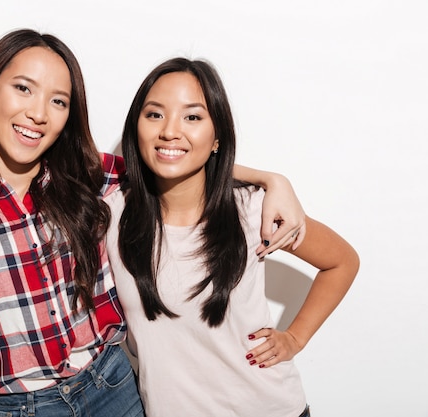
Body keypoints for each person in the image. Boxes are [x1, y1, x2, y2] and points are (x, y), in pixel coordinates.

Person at [0, 29, 306, 416]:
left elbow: (166, 157)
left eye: (58, 101)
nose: (38, 113)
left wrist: (270, 179)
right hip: (23, 408)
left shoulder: (89, 179)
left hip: (115, 388)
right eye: (23, 88)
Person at [104, 57, 360, 417]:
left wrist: (294, 338)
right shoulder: (112, 215)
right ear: (136, 128)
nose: (170, 131)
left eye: (192, 117)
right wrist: (272, 176)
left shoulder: (252, 210)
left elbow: (342, 261)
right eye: (155, 114)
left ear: (216, 137)